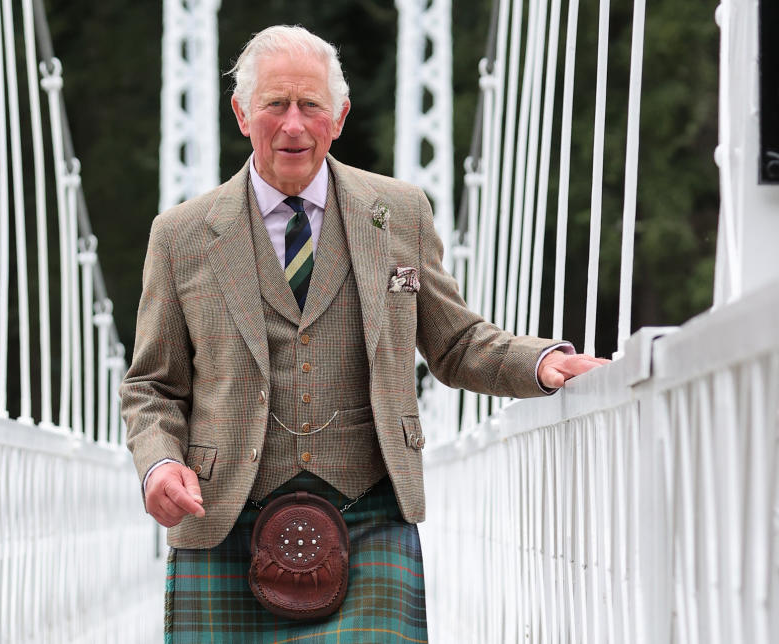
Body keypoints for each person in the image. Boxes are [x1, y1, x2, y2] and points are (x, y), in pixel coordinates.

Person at [120, 24, 606, 642]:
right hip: (221, 519)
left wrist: (544, 363)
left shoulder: (400, 213)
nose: (293, 125)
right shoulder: (180, 235)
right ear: (242, 113)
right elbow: (153, 386)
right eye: (275, 105)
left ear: (340, 116)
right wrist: (159, 463)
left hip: (370, 513)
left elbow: (455, 343)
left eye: (310, 105)